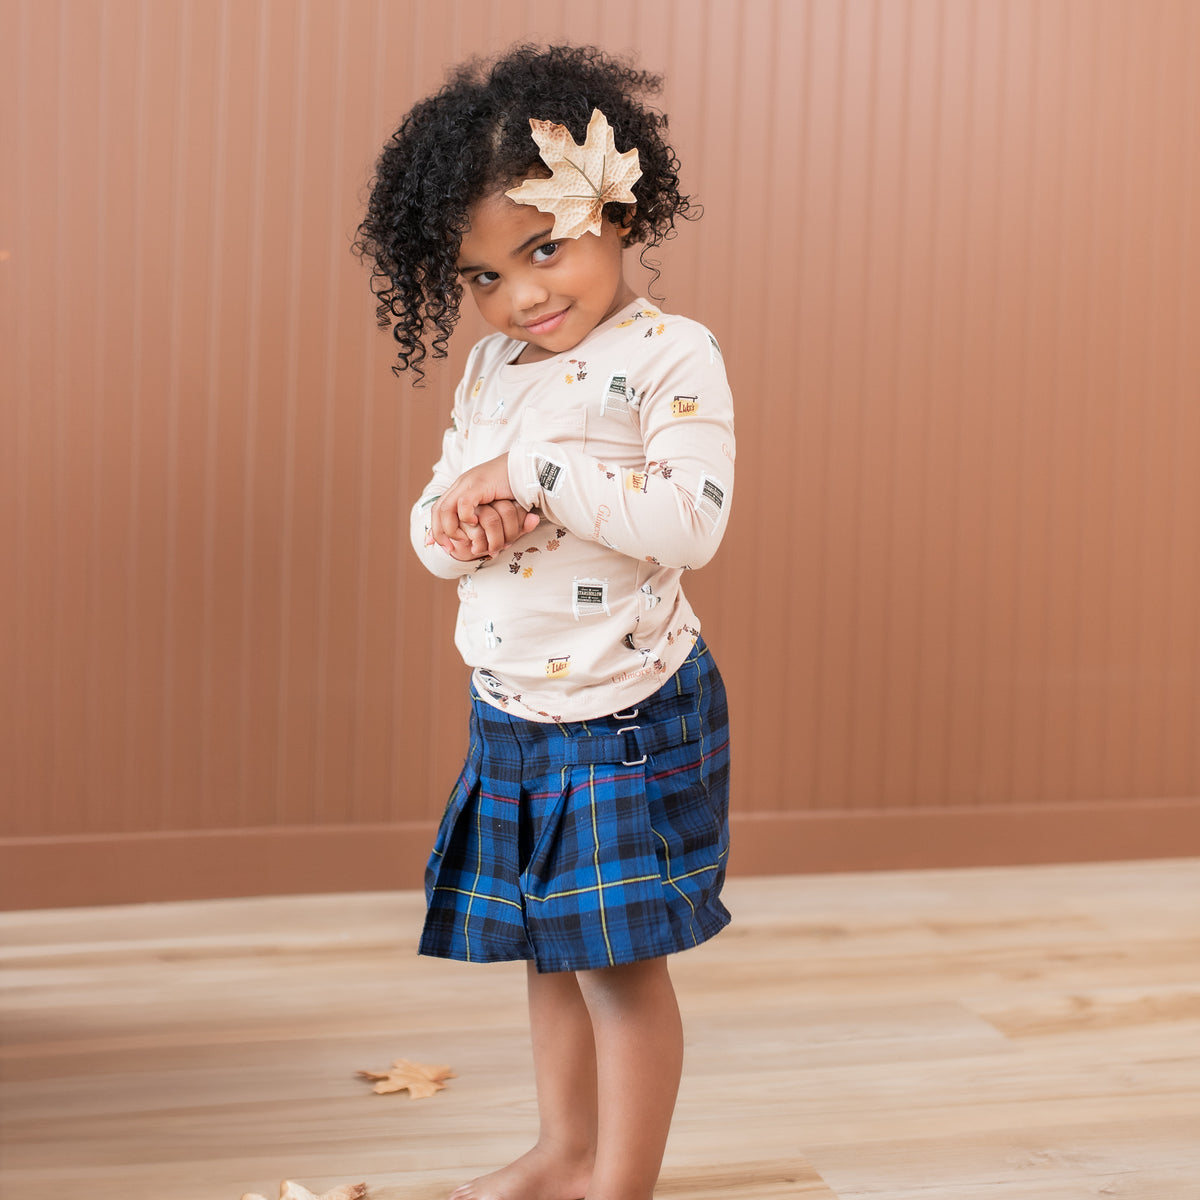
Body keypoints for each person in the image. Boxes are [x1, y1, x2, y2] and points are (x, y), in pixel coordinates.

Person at [356, 44, 735, 1200]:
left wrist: (541, 472)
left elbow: (688, 522)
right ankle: (564, 1150)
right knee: (549, 953)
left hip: (623, 711)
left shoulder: (671, 356)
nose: (521, 296)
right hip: (516, 713)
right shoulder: (492, 373)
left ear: (614, 209)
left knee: (619, 968)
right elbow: (436, 520)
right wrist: (457, 527)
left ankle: (619, 1183)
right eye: (481, 277)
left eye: (542, 249)